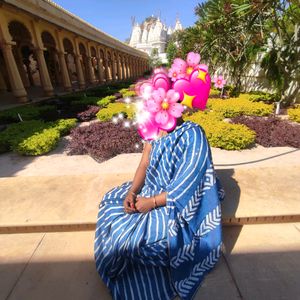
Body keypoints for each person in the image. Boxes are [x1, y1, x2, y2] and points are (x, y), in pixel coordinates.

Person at [94, 116, 225, 300]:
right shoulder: (153, 129)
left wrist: (153, 202)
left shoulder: (193, 134)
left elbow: (189, 184)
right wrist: (132, 192)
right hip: (152, 189)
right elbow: (144, 163)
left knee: (137, 242)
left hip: (176, 202)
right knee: (110, 207)